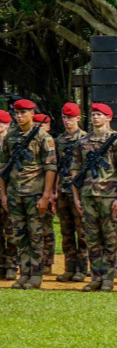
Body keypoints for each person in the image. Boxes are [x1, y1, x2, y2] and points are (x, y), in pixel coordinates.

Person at [71, 103, 117, 292]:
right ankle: (96, 275)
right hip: (88, 196)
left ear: (108, 118)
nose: (95, 117)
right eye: (94, 114)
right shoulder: (83, 141)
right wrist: (76, 197)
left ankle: (108, 277)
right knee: (92, 238)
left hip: (109, 196)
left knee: (110, 237)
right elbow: (74, 169)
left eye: (100, 114)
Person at [0, 99, 57, 289]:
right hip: (15, 193)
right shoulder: (11, 136)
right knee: (19, 234)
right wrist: (4, 194)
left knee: (35, 235)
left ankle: (36, 274)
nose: (19, 116)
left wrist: (45, 195)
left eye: (23, 112)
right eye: (17, 113)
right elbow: (3, 167)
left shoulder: (42, 137)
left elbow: (50, 167)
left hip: (34, 193)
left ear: (32, 114)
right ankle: (24, 273)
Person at [54, 103, 89, 283]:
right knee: (66, 232)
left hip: (80, 191)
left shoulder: (85, 139)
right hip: (62, 191)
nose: (67, 121)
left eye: (70, 117)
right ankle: (69, 268)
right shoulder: (59, 140)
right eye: (65, 118)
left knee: (82, 231)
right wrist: (53, 190)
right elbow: (56, 167)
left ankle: (82, 269)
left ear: (78, 118)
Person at [32, 113, 56, 275]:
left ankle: (47, 262)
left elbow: (54, 168)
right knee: (32, 230)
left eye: (41, 125)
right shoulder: (28, 142)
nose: (37, 128)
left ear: (47, 127)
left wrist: (52, 193)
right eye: (35, 124)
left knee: (46, 229)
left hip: (47, 190)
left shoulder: (50, 142)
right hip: (31, 190)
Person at [0, 109, 17, 281]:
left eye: (2, 123)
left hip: (11, 192)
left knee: (11, 231)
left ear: (8, 124)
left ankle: (11, 265)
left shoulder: (14, 142)